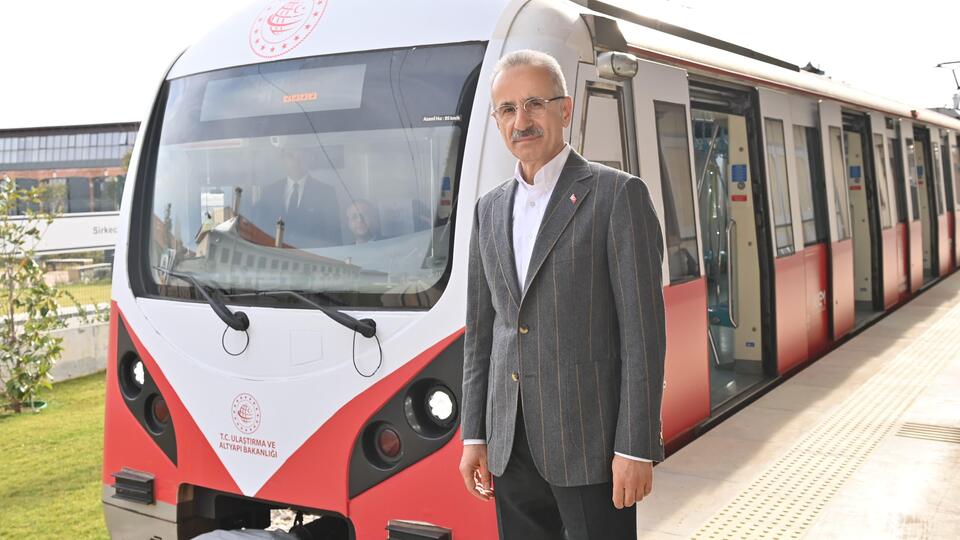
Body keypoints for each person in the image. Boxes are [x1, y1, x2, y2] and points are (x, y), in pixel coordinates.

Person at [459, 49, 667, 540]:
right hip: (511, 446)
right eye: (507, 109)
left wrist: (635, 447)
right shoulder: (488, 211)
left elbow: (642, 336)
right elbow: (481, 335)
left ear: (565, 110)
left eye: (534, 103)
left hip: (590, 446)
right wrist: (475, 434)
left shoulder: (618, 196)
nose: (520, 120)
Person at [254, 147, 342, 248]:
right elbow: (260, 229)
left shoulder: (326, 192)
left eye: (301, 156)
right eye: (290, 156)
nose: (296, 161)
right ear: (283, 160)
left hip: (312, 258)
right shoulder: (269, 191)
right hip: (275, 256)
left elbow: (334, 235)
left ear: (309, 159)